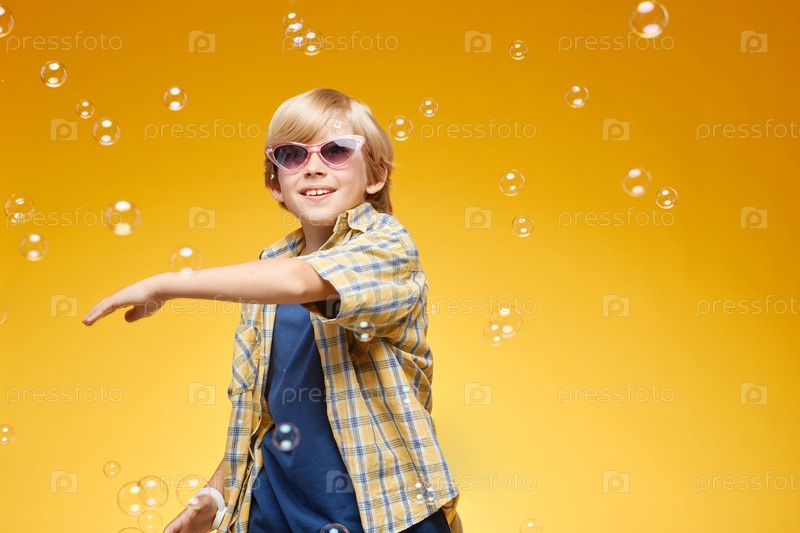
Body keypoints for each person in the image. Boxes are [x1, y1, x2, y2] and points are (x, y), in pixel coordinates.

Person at [83, 88, 461, 533]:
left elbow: (301, 281)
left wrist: (164, 284)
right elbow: (265, 414)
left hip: (385, 515)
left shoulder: (387, 247)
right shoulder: (269, 265)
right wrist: (217, 495)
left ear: (375, 175)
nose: (314, 166)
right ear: (275, 184)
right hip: (276, 513)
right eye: (292, 155)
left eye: (337, 150)